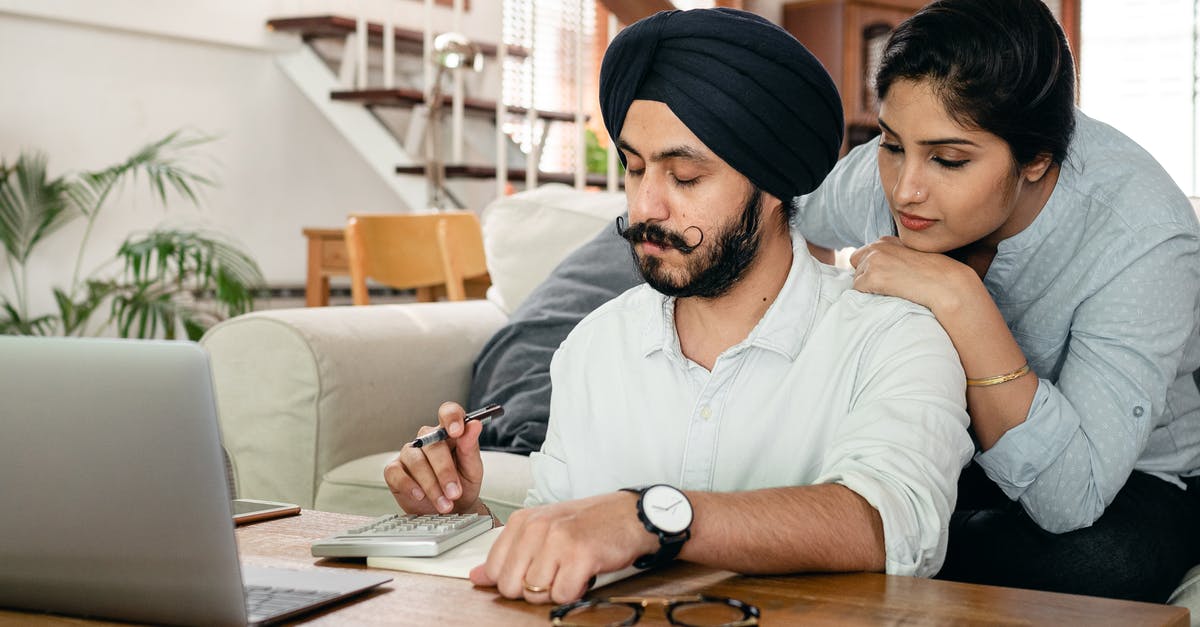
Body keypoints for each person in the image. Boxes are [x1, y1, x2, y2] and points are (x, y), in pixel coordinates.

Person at [385, 7, 974, 605]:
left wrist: (649, 518)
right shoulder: (593, 347)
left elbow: (893, 528)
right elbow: (561, 540)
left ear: (773, 186)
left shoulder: (894, 335)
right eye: (634, 168)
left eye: (685, 177)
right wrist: (463, 514)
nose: (646, 207)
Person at [793, 0, 1200, 603]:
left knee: (1105, 564)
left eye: (949, 160)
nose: (906, 190)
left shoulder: (1143, 237)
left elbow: (1072, 496)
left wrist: (960, 299)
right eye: (891, 143)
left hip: (1128, 476)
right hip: (955, 448)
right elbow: (790, 219)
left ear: (1037, 159)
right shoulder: (893, 176)